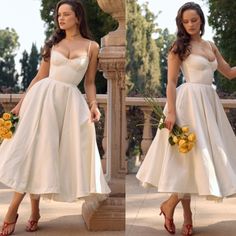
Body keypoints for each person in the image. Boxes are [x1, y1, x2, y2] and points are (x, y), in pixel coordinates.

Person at [0, 0, 110, 235]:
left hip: (69, 104)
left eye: (66, 14)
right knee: (33, 152)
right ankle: (13, 209)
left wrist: (94, 105)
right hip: (42, 100)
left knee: (46, 155)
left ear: (77, 17)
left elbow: (89, 83)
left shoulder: (92, 47)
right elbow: (39, 77)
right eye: (59, 15)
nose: (61, 18)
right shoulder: (54, 43)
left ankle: (35, 210)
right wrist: (20, 105)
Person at [136, 2, 236, 236]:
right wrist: (171, 112)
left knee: (196, 161)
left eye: (194, 20)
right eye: (185, 21)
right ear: (181, 24)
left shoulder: (210, 45)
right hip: (187, 103)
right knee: (186, 160)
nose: (190, 24)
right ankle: (184, 215)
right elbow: (171, 82)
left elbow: (229, 73)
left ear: (201, 20)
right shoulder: (179, 47)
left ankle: (174, 208)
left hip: (208, 104)